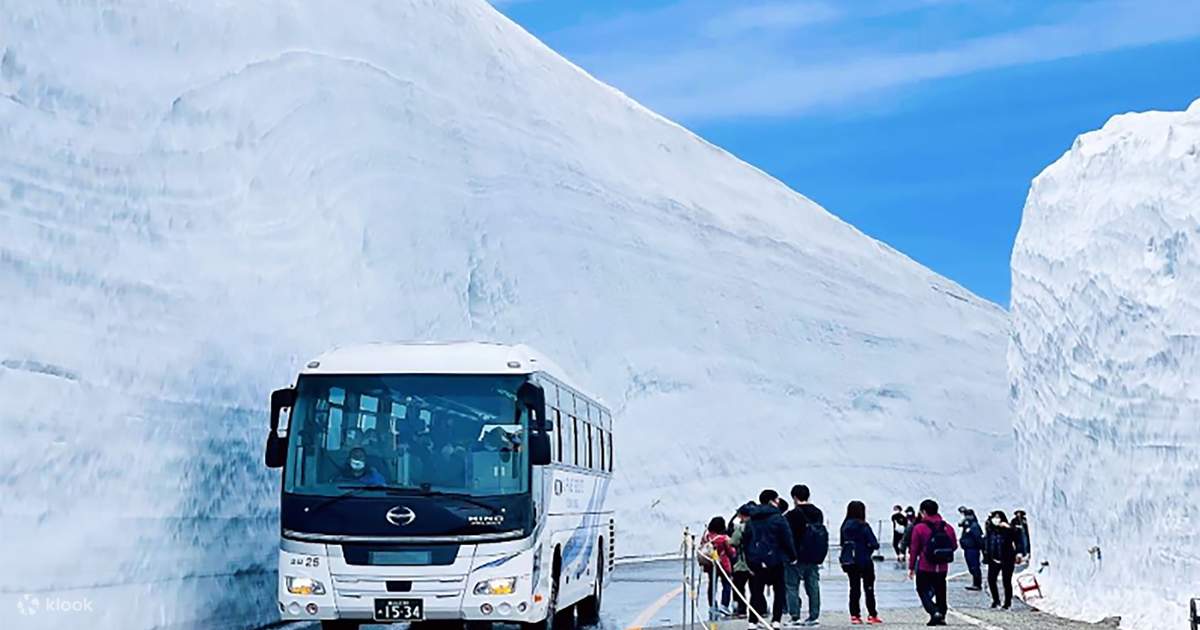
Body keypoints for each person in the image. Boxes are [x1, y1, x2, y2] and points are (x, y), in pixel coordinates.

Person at [743, 491, 796, 629]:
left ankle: (753, 621)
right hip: (776, 558)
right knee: (779, 590)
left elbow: (746, 541)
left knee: (756, 591)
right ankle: (776, 620)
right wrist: (792, 556)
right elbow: (787, 538)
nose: (778, 502)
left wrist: (749, 560)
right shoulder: (778, 518)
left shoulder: (752, 519)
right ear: (771, 501)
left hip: (756, 560)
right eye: (777, 499)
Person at [907, 499, 958, 627]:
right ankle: (942, 615)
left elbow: (914, 549)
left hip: (925, 565)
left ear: (923, 512)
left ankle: (934, 611)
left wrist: (911, 567)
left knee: (922, 589)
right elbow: (954, 545)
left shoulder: (919, 528)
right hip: (942, 566)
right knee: (941, 590)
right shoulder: (947, 527)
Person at [785, 484, 826, 627]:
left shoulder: (791, 515)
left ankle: (795, 616)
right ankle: (814, 616)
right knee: (813, 586)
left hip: (796, 556)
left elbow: (788, 537)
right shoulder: (818, 513)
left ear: (794, 497)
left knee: (792, 586)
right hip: (813, 555)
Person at [839, 501, 882, 625]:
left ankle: (855, 615)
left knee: (854, 588)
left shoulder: (844, 526)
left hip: (850, 561)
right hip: (864, 560)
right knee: (869, 588)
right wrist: (868, 550)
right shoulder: (864, 526)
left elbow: (842, 543)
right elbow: (874, 543)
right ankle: (872, 614)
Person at [984, 511, 1020, 609]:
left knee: (1006, 581)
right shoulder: (990, 529)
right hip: (993, 559)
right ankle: (996, 600)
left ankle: (1007, 602)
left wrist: (1009, 528)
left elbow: (1017, 538)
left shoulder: (1008, 530)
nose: (996, 519)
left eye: (998, 517)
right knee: (991, 580)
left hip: (1007, 559)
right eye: (994, 517)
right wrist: (986, 556)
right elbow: (987, 543)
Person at [700, 516, 736, 614]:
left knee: (712, 584)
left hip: (710, 564)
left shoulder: (706, 537)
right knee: (726, 585)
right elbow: (731, 552)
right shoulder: (724, 538)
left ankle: (712, 604)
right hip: (723, 564)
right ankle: (724, 605)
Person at [729, 505, 754, 617]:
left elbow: (733, 542)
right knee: (756, 588)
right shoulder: (757, 525)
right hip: (756, 561)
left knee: (739, 587)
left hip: (742, 562)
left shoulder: (740, 528)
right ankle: (759, 609)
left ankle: (742, 609)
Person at [958, 506, 984, 591]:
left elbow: (978, 538)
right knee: (971, 566)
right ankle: (975, 583)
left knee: (974, 566)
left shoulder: (974, 526)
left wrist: (981, 548)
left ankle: (977, 584)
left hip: (973, 549)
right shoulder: (968, 525)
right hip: (968, 548)